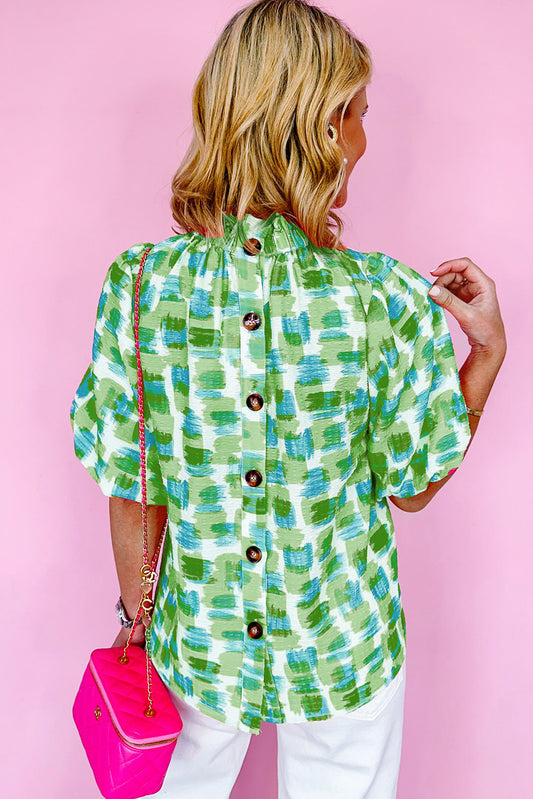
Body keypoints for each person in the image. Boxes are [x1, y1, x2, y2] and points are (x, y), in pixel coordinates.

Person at [70, 1, 506, 797]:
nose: (365, 138)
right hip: (344, 643)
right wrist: (485, 356)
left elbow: (133, 482)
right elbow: (413, 486)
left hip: (198, 643)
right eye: (358, 113)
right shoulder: (384, 297)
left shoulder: (140, 286)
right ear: (321, 127)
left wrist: (137, 621)